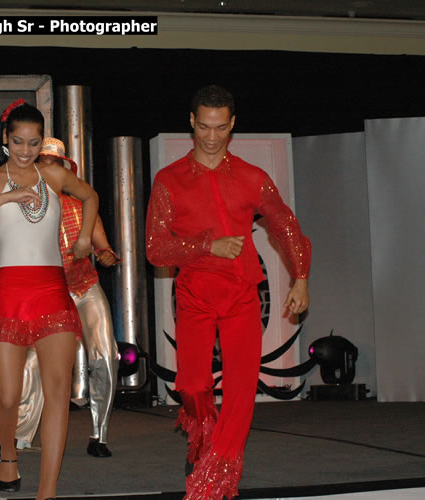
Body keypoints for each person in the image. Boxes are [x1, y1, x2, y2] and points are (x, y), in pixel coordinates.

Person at [145, 85, 311, 500]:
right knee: (194, 386)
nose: (212, 137)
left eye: (220, 128)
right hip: (195, 295)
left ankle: (216, 474)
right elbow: (155, 248)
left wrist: (300, 276)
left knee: (239, 390)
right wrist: (206, 245)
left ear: (232, 124)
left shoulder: (252, 178)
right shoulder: (169, 180)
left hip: (240, 296)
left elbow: (284, 224)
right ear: (191, 122)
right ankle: (202, 435)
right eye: (204, 127)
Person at [0, 100, 98, 500]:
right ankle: (9, 454)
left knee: (57, 390)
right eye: (18, 141)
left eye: (33, 142)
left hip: (52, 290)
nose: (26, 150)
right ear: (5, 138)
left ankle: (46, 492)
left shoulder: (54, 174)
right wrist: (5, 199)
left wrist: (84, 237)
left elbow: (91, 196)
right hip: (9, 292)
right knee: (8, 396)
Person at [0, 137, 120, 458]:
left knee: (105, 355)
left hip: (85, 289)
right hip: (52, 296)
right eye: (43, 163)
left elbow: (101, 244)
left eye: (55, 164)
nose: (49, 168)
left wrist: (105, 253)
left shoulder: (79, 206)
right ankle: (19, 436)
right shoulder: (22, 208)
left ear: (64, 169)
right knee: (32, 363)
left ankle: (99, 434)